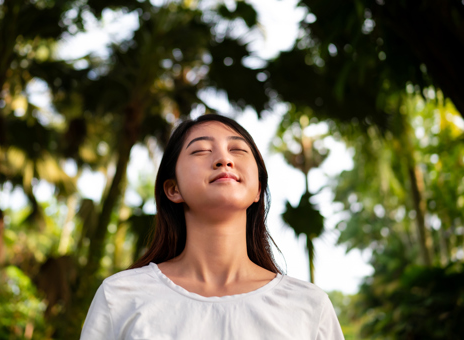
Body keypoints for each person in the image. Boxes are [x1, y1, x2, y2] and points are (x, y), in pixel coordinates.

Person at [80, 114, 345, 340]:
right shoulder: (120, 296)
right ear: (173, 189)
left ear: (258, 190)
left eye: (238, 150)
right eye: (201, 151)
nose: (223, 160)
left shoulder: (309, 306)